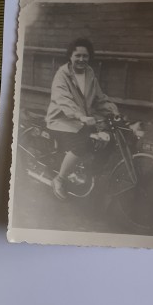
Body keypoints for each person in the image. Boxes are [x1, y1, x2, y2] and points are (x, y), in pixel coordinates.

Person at [46, 38, 119, 200]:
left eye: (85, 56)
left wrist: (112, 111)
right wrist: (81, 116)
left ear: (89, 57)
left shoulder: (90, 73)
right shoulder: (62, 75)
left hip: (84, 119)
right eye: (77, 55)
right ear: (70, 56)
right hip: (62, 120)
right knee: (82, 144)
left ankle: (89, 175)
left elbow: (99, 98)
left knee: (107, 139)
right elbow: (64, 100)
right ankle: (59, 179)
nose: (81, 59)